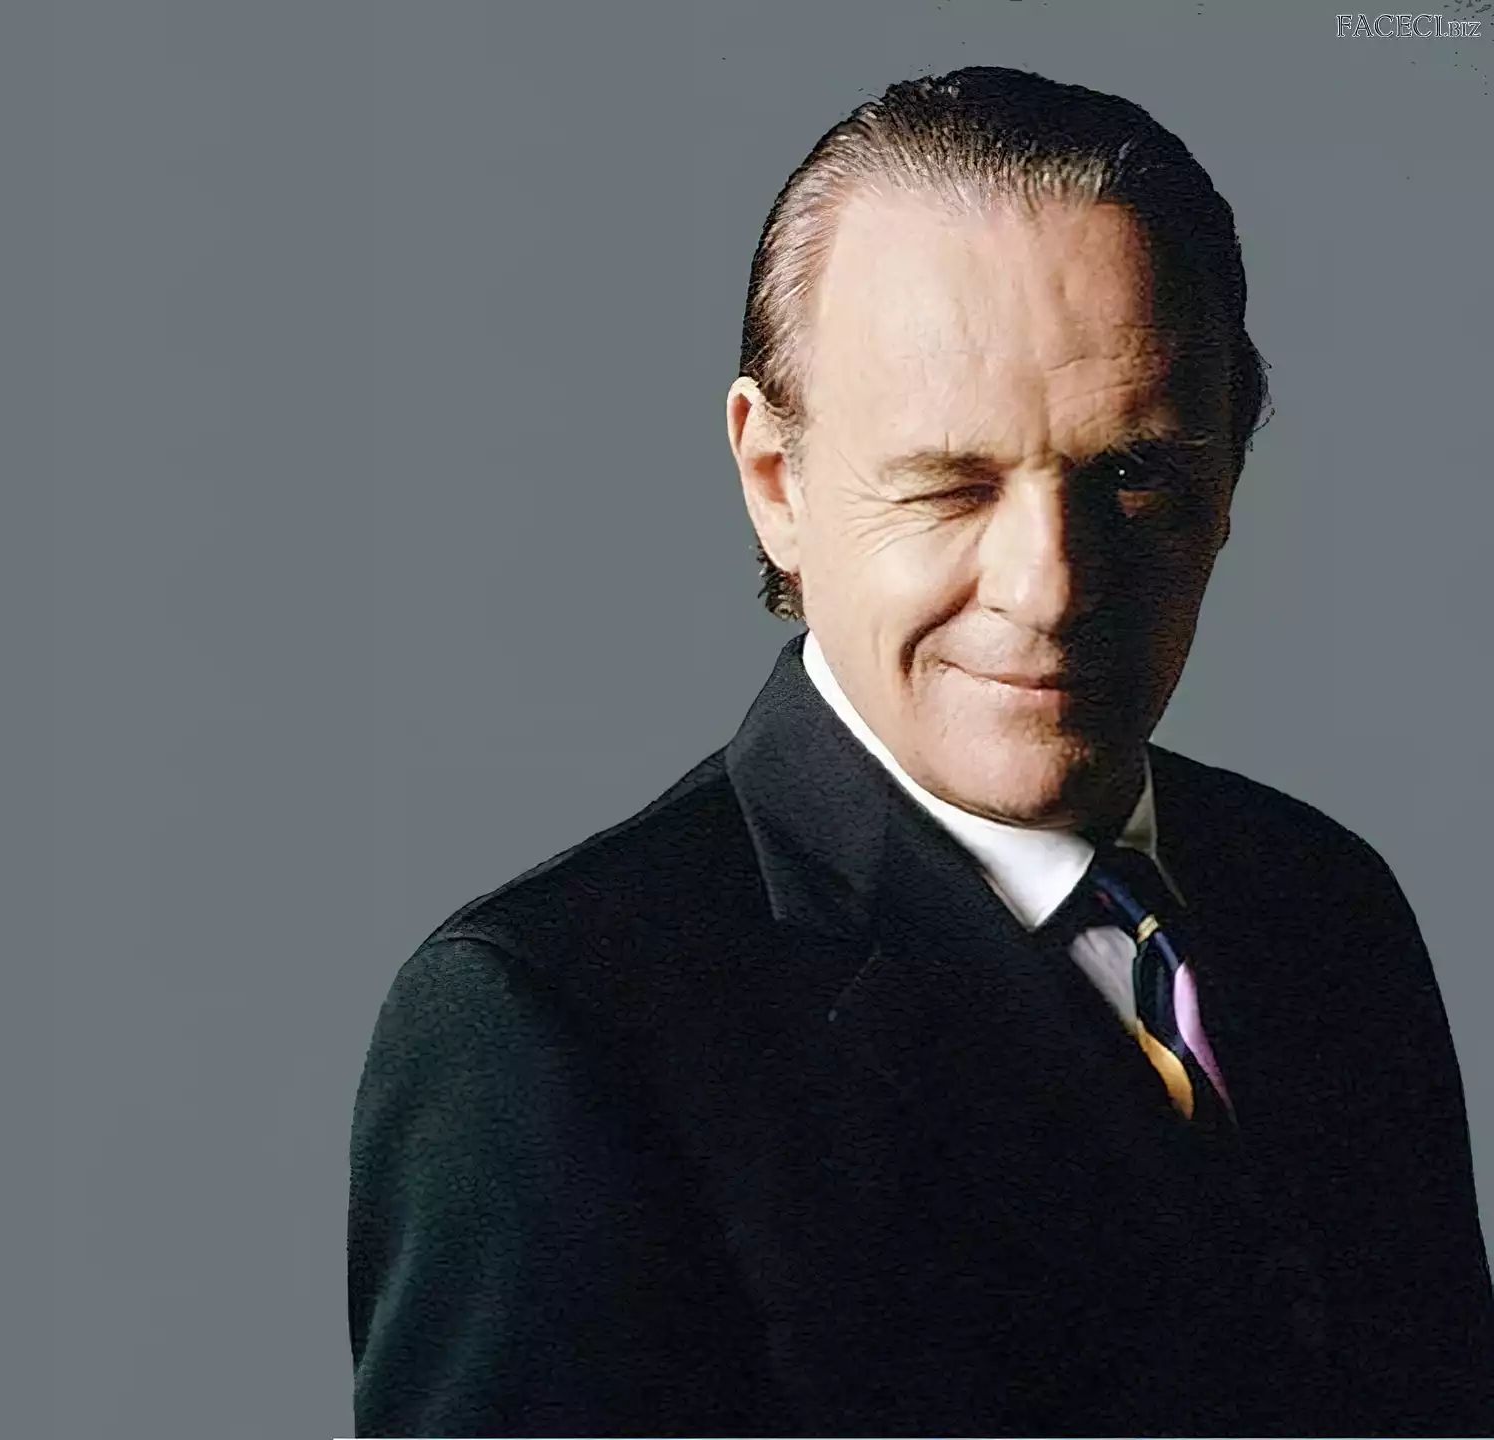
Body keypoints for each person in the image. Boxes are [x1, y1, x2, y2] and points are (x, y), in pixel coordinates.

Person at [345, 66, 1494, 1436]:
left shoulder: (1324, 901)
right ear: (774, 481)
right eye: (951, 486)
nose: (1051, 588)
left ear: (1229, 472)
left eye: (1135, 474)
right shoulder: (549, 1029)